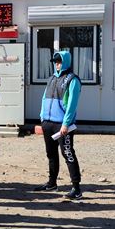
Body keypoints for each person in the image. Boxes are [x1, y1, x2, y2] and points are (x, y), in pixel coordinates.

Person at [34, 50, 83, 200]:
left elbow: (72, 105)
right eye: (55, 62)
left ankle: (76, 188)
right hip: (47, 123)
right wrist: (42, 117)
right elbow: (44, 99)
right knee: (51, 154)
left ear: (66, 62)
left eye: (59, 61)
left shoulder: (73, 80)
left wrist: (66, 124)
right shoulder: (51, 79)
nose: (57, 64)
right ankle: (52, 183)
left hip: (62, 125)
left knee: (68, 154)